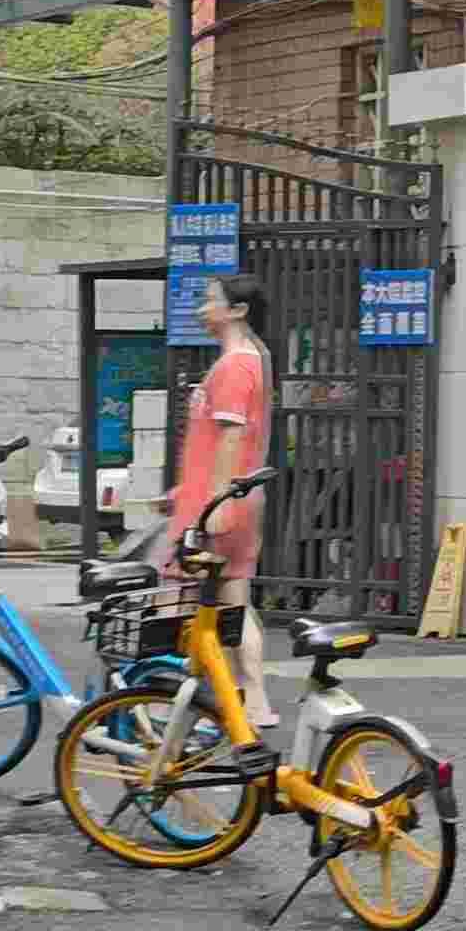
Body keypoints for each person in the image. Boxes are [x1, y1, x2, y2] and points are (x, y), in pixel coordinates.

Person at [167, 270, 279, 769]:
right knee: (233, 600)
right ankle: (249, 703)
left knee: (191, 605)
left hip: (219, 506)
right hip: (223, 499)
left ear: (237, 310)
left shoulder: (235, 366)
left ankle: (195, 708)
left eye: (211, 300)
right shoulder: (249, 360)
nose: (201, 308)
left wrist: (215, 503)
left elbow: (232, 438)